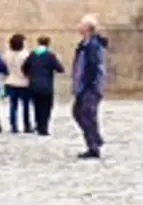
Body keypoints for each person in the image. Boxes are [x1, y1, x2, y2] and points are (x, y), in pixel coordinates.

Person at [72, 16, 107, 160]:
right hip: (83, 86)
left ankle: (93, 147)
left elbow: (92, 66)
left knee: (87, 115)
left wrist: (89, 85)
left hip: (90, 86)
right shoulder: (83, 44)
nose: (78, 26)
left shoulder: (93, 45)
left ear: (88, 28)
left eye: (81, 24)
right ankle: (95, 139)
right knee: (77, 113)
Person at [22, 37, 65, 137]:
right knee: (46, 106)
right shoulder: (50, 56)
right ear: (48, 44)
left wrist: (30, 75)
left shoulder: (32, 55)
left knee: (37, 106)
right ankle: (44, 127)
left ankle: (38, 124)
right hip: (46, 85)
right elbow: (60, 69)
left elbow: (24, 68)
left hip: (34, 85)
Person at [5, 33, 33, 134]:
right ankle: (27, 125)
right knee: (26, 106)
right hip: (24, 82)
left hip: (11, 81)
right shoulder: (25, 54)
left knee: (13, 106)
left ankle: (14, 126)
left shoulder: (7, 54)